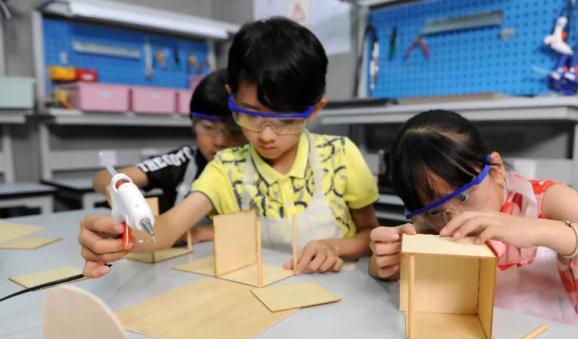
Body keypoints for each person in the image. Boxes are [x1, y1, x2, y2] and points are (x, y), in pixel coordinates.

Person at [79, 17, 379, 279]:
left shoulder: (340, 156)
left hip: (339, 296)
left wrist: (333, 246)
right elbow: (167, 228)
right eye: (250, 115)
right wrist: (120, 239)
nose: (267, 135)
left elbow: (370, 235)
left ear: (314, 111)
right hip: (257, 297)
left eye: (285, 120)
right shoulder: (227, 168)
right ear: (231, 97)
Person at [369, 110, 578, 328]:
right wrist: (386, 262)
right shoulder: (431, 223)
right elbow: (385, 271)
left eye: (463, 196)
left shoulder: (546, 201)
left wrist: (541, 230)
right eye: (435, 210)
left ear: (496, 169)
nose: (454, 217)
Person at [92, 69, 246, 225]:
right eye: (207, 127)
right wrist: (121, 187)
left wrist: (203, 234)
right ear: (193, 125)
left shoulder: (255, 168)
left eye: (234, 131)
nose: (220, 141)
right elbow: (102, 178)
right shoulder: (182, 161)